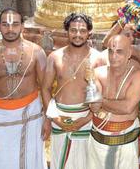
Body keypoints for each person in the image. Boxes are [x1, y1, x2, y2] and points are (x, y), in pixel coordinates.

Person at [41, 13, 105, 169]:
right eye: (73, 30)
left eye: (82, 30)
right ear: (66, 31)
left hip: (87, 118)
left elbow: (103, 95)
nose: (78, 34)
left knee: (87, 163)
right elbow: (45, 88)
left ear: (89, 32)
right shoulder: (55, 57)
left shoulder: (98, 58)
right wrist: (54, 118)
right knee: (61, 162)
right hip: (60, 116)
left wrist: (86, 119)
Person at [0, 8, 47, 169]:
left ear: (22, 26)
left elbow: (45, 88)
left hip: (31, 116)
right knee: (2, 161)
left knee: (31, 161)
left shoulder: (37, 52)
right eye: (5, 24)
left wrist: (48, 119)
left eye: (15, 24)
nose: (10, 29)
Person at [87, 35, 140, 169]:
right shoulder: (96, 73)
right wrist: (103, 103)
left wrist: (101, 100)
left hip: (125, 141)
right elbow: (94, 107)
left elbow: (127, 107)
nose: (113, 56)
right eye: (110, 51)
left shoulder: (137, 75)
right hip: (97, 140)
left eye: (119, 52)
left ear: (129, 53)